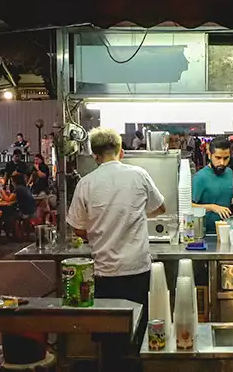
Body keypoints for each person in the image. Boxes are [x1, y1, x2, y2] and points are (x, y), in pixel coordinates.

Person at [67, 127, 164, 355]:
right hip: (137, 269)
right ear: (121, 152)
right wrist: (135, 214)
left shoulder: (86, 183)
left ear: (95, 156)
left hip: (105, 273)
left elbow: (78, 228)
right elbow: (160, 208)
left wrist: (99, 230)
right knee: (138, 333)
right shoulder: (138, 174)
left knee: (110, 338)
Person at [191, 137, 233, 233]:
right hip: (204, 233)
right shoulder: (200, 178)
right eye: (218, 158)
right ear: (210, 155)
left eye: (226, 158)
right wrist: (212, 207)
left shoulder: (229, 173)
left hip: (225, 230)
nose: (222, 163)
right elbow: (189, 206)